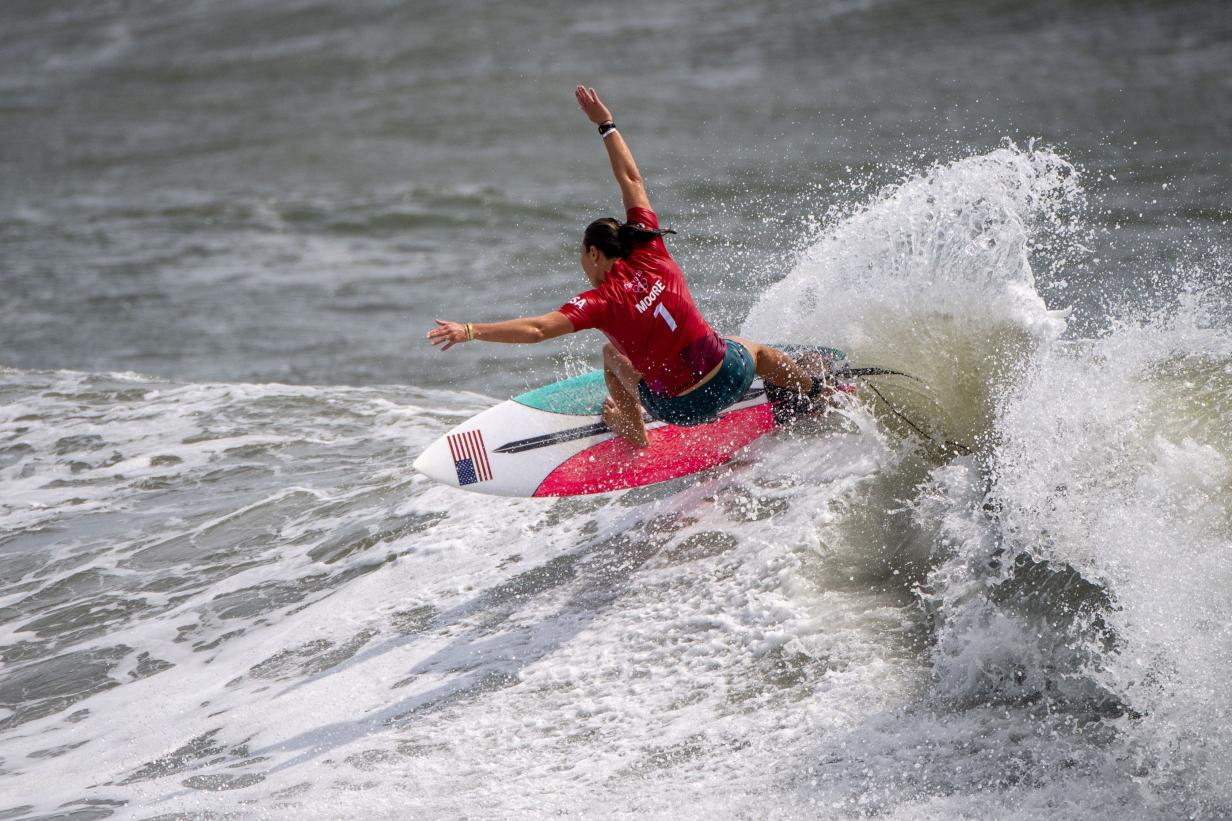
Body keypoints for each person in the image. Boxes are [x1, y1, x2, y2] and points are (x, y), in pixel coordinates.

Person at [427, 85, 830, 448]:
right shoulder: (652, 249)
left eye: (582, 255)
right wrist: (606, 124)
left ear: (595, 254)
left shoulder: (599, 302)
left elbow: (536, 330)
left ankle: (634, 430)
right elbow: (632, 180)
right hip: (729, 378)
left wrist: (469, 330)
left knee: (610, 354)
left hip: (680, 410)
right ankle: (812, 391)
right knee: (754, 351)